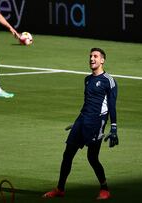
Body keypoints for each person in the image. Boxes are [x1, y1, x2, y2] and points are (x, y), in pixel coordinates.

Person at [43, 48, 118, 200]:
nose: (92, 59)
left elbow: (112, 105)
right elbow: (87, 103)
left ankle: (105, 189)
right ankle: (60, 189)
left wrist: (114, 128)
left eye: (95, 56)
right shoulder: (87, 79)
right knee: (67, 154)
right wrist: (78, 123)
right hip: (82, 120)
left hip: (97, 122)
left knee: (92, 157)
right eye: (90, 56)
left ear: (102, 60)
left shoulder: (109, 81)